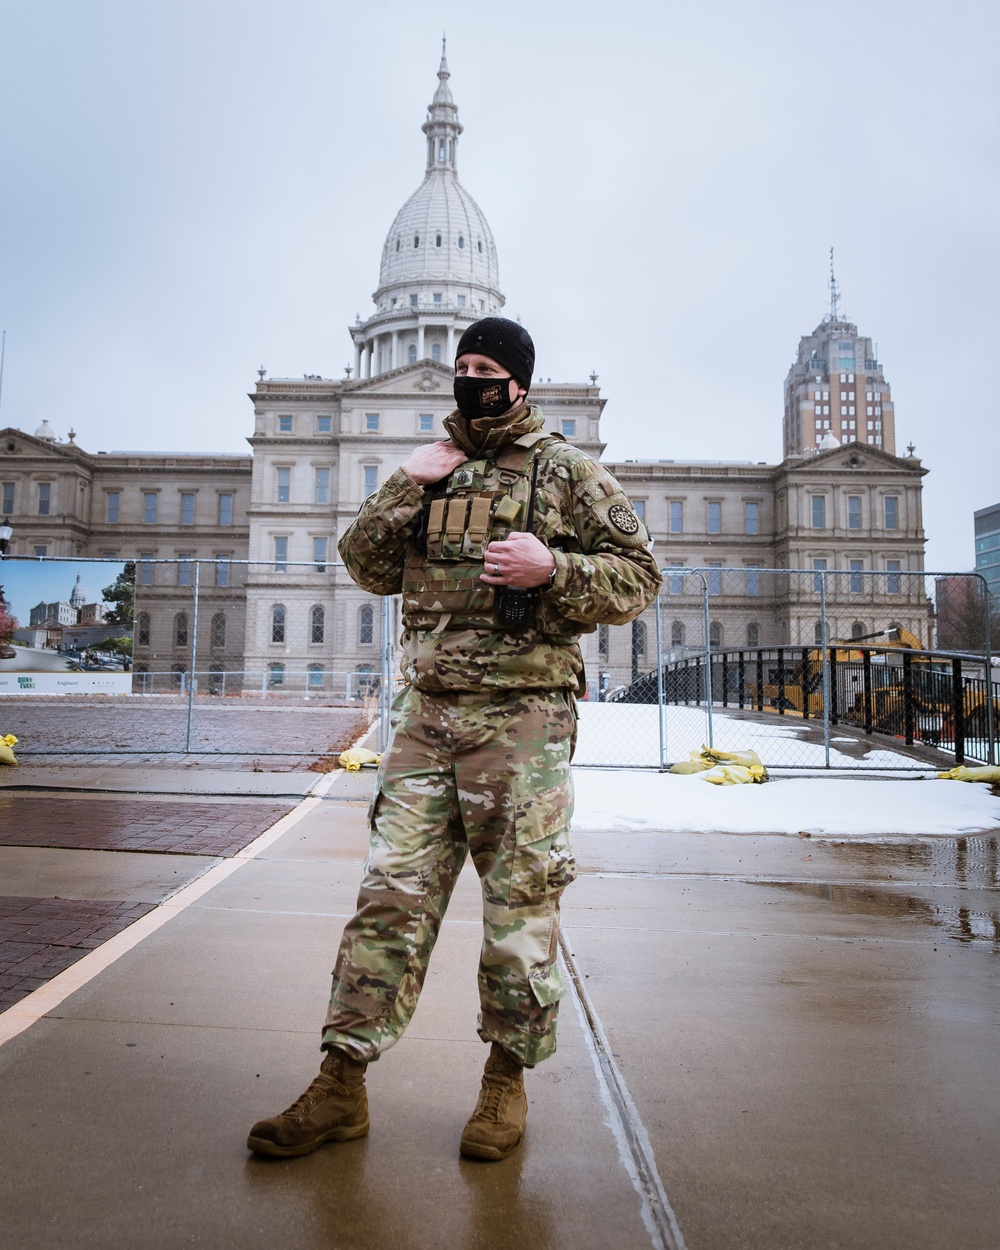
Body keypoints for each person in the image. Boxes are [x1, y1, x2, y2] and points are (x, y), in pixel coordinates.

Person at [247, 317, 661, 1162]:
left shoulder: (568, 474)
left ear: (520, 381)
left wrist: (558, 571)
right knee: (389, 899)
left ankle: (505, 1084)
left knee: (519, 909)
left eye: (488, 367)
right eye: (464, 365)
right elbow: (364, 564)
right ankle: (340, 1085)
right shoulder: (431, 469)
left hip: (521, 724)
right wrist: (404, 482)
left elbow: (640, 580)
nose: (471, 379)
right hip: (426, 722)